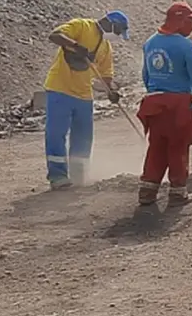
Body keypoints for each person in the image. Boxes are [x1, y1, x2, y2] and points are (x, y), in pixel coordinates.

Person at [137, 2, 192, 207]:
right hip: (177, 104)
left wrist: (156, 92)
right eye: (190, 21)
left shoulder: (151, 42)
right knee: (178, 147)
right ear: (179, 22)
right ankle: (178, 192)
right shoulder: (185, 45)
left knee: (156, 146)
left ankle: (147, 190)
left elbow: (146, 75)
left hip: (153, 102)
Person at [43, 11, 130, 190]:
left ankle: (79, 176)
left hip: (84, 95)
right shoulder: (81, 26)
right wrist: (75, 45)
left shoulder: (106, 47)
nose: (117, 36)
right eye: (118, 32)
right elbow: (54, 35)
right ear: (111, 25)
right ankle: (58, 177)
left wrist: (111, 91)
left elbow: (105, 78)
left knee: (83, 137)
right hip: (60, 89)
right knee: (56, 133)